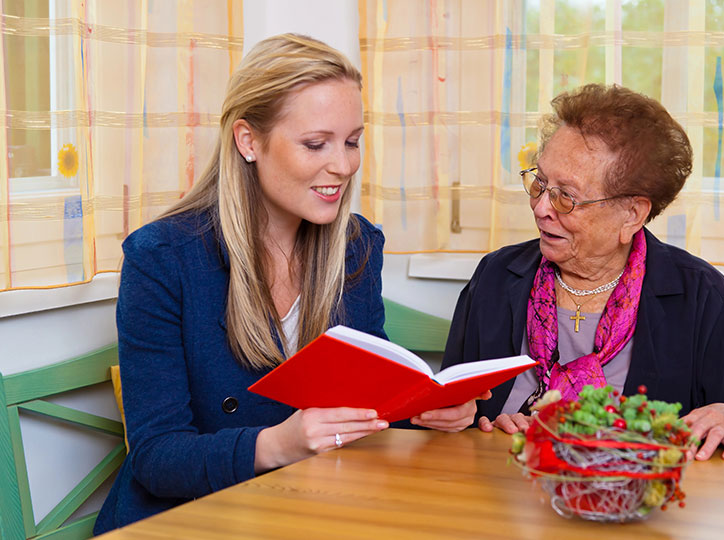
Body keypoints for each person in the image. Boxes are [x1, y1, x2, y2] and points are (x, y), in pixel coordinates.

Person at [95, 33, 480, 534]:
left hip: (308, 511)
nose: (342, 165)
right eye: (316, 144)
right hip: (192, 520)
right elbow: (157, 455)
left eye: (352, 141)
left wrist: (427, 410)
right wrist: (276, 445)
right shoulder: (162, 259)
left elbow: (367, 402)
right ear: (248, 141)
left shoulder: (355, 246)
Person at [441, 84, 724, 462]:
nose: (541, 207)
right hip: (497, 501)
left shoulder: (700, 298)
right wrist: (474, 425)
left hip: (638, 510)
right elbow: (447, 418)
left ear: (632, 214)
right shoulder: (497, 277)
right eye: (540, 183)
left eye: (566, 197)